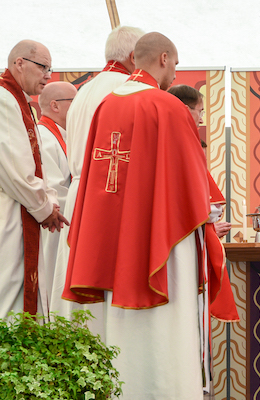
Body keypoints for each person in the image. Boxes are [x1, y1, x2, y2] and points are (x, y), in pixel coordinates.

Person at [62, 32, 211, 399]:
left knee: (118, 320)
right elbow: (191, 181)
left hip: (114, 232)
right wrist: (206, 215)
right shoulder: (167, 105)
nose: (175, 74)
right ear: (163, 58)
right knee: (166, 327)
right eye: (175, 64)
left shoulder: (106, 104)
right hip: (162, 232)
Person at [49, 25, 144, 335]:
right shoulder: (128, 88)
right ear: (134, 56)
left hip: (80, 190)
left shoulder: (84, 90)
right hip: (109, 193)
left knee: (79, 282)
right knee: (109, 290)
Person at [167, 83, 239, 395]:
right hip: (182, 252)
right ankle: (194, 387)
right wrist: (209, 224)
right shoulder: (181, 143)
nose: (200, 119)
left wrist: (209, 230)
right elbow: (205, 206)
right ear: (186, 109)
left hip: (174, 245)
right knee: (187, 322)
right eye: (198, 111)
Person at [0, 40, 68, 320]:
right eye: (43, 67)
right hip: (9, 212)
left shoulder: (18, 100)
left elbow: (36, 165)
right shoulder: (4, 99)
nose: (48, 75)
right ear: (19, 63)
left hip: (19, 209)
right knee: (9, 296)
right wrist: (45, 208)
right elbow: (14, 167)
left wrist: (47, 202)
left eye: (50, 68)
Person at [37, 81, 77, 299]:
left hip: (66, 221)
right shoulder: (43, 137)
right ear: (55, 105)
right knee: (53, 285)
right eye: (74, 101)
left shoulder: (63, 135)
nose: (78, 107)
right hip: (56, 224)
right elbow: (52, 189)